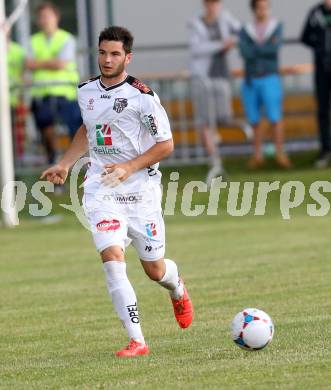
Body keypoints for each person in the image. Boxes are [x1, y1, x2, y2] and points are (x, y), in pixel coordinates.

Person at [41, 26, 194, 357]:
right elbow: (87, 129)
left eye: (114, 54)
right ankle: (137, 340)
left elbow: (166, 144)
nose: (107, 60)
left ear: (128, 57)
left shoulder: (143, 97)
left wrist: (129, 167)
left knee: (154, 269)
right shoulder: (85, 92)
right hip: (101, 188)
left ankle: (177, 287)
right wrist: (66, 163)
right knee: (112, 257)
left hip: (141, 190)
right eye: (102, 53)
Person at [188, 0, 252, 185]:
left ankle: (241, 130)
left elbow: (242, 33)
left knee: (224, 116)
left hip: (222, 76)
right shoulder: (196, 23)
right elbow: (197, 49)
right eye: (209, 3)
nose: (212, 7)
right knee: (205, 121)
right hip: (203, 78)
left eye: (215, 3)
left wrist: (231, 42)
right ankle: (215, 161)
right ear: (204, 5)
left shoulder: (226, 19)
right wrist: (220, 45)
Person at [25, 2, 82, 164]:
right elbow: (28, 64)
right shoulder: (33, 40)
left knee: (74, 132)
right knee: (46, 133)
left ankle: (71, 164)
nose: (45, 20)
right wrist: (52, 62)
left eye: (48, 16)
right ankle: (55, 163)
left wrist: (39, 63)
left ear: (56, 17)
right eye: (41, 17)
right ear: (37, 20)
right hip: (42, 95)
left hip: (65, 93)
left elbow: (62, 64)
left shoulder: (66, 38)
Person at [239, 0, 291, 169]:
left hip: (270, 77)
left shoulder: (276, 26)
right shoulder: (246, 29)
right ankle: (257, 155)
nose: (263, 11)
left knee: (275, 117)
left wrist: (256, 49)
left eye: (265, 8)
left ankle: (280, 153)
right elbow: (244, 52)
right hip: (251, 78)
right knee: (254, 120)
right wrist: (264, 48)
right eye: (260, 8)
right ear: (254, 10)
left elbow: (274, 49)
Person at [301, 0, 331, 168]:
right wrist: (320, 48)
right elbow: (305, 37)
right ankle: (325, 149)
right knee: (323, 110)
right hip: (321, 69)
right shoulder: (315, 14)